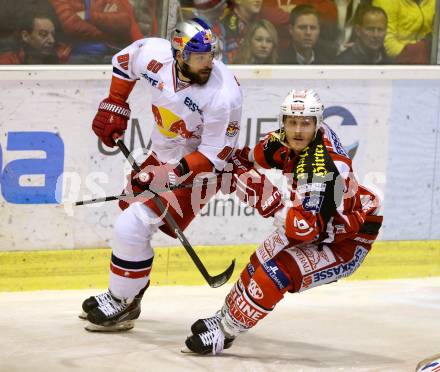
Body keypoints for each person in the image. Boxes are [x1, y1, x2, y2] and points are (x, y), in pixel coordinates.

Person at [183, 89, 383, 354]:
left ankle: (226, 331)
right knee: (262, 258)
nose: (298, 130)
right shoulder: (283, 138)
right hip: (319, 222)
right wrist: (223, 168)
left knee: (276, 272)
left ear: (318, 123)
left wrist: (260, 194)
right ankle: (225, 315)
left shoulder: (322, 169)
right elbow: (247, 158)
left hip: (344, 242)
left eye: (305, 123)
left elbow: (304, 228)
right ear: (283, 122)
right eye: (292, 122)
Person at [80, 18, 243, 332]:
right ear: (179, 54)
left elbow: (215, 154)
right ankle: (125, 296)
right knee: (130, 216)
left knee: (132, 224)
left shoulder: (224, 94)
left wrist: (166, 175)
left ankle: (121, 302)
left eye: (210, 55)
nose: (207, 63)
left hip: (199, 171)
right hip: (163, 154)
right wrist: (115, 103)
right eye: (199, 57)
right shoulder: (155, 55)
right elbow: (124, 61)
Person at [49, 0, 143, 63]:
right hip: (77, 56)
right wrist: (108, 29)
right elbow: (72, 26)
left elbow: (124, 22)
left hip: (113, 52)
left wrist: (88, 15)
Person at [371, 0, 435, 64]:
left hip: (430, 55)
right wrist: (417, 51)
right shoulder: (386, 2)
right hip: (395, 61)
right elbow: (386, 42)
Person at [0, 12, 70, 64]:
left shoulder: (62, 55)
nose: (52, 40)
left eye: (53, 34)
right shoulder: (7, 61)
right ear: (25, 36)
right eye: (43, 34)